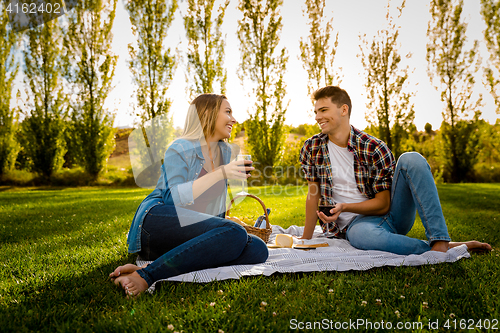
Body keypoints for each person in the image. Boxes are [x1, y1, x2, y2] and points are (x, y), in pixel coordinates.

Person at [299, 85, 491, 255]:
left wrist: (345, 207)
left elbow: (383, 204)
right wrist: (305, 241)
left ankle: (440, 241)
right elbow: (313, 194)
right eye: (316, 111)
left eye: (323, 110)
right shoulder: (312, 147)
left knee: (411, 159)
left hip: (391, 216)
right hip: (357, 227)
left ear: (343, 110)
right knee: (359, 234)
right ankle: (445, 248)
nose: (317, 117)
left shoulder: (373, 147)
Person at [110, 94, 268, 297]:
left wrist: (222, 224)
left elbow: (214, 207)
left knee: (257, 249)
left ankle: (148, 267)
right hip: (159, 222)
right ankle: (146, 277)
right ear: (208, 114)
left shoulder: (225, 152)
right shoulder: (180, 147)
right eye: (227, 112)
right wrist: (220, 173)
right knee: (236, 233)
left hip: (189, 234)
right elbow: (171, 199)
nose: (234, 119)